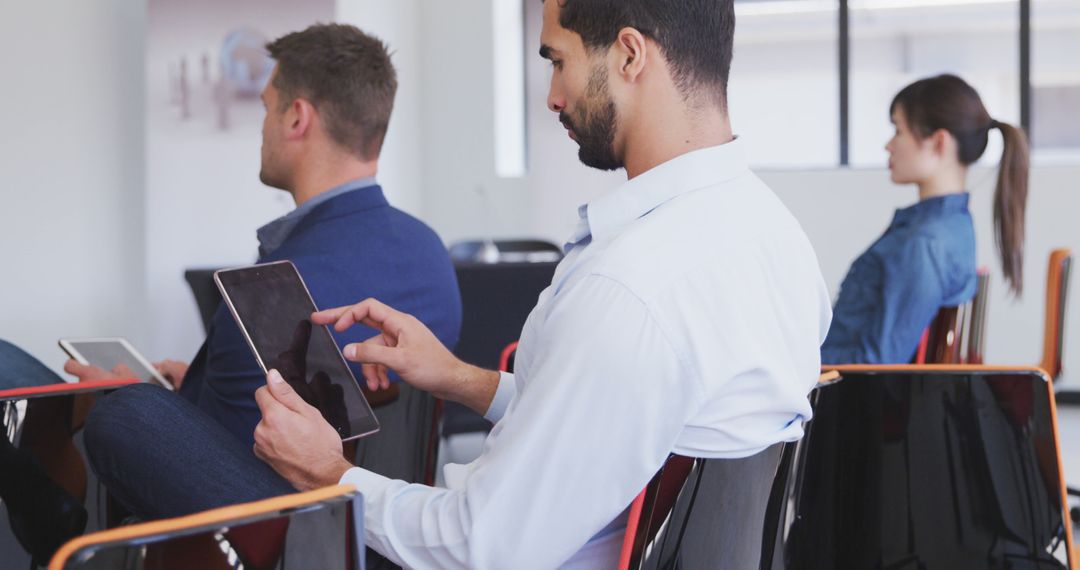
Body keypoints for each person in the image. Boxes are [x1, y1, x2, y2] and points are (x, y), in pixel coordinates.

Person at [85, 2, 831, 568]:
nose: (552, 96)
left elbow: (481, 545)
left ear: (629, 55)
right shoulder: (778, 242)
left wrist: (330, 474)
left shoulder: (629, 289)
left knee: (123, 418)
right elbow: (628, 421)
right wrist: (462, 379)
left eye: (558, 61)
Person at [69, 23, 462, 448]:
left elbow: (209, 467)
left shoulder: (269, 294)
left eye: (266, 107)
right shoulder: (432, 253)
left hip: (273, 511)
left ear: (296, 117)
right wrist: (193, 390)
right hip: (383, 505)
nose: (263, 127)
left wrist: (132, 400)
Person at [821, 74, 1029, 364]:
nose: (888, 146)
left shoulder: (925, 243)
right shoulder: (953, 227)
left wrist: (798, 362)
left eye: (898, 130)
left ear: (938, 142)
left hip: (842, 398)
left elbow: (879, 363)